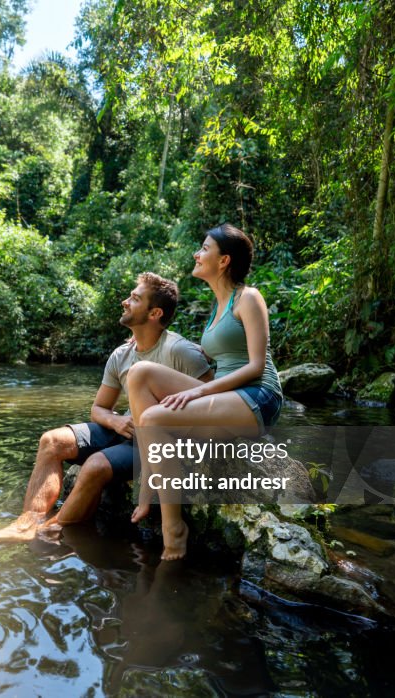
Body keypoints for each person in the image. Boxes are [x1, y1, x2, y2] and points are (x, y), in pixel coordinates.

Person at [0, 272, 211, 544]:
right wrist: (116, 422)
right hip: (127, 429)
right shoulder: (122, 354)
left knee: (94, 466)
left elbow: (215, 401)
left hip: (157, 443)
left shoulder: (180, 351)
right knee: (51, 441)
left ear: (155, 313)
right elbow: (99, 409)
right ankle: (27, 523)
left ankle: (52, 529)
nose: (124, 301)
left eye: (135, 298)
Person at [127, 224, 283, 561]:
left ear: (224, 260)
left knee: (154, 418)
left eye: (204, 248)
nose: (197, 255)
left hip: (258, 396)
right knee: (139, 373)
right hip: (227, 397)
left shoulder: (249, 297)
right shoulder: (217, 307)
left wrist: (199, 394)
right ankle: (148, 483)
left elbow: (255, 366)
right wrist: (149, 337)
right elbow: (211, 355)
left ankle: (174, 530)